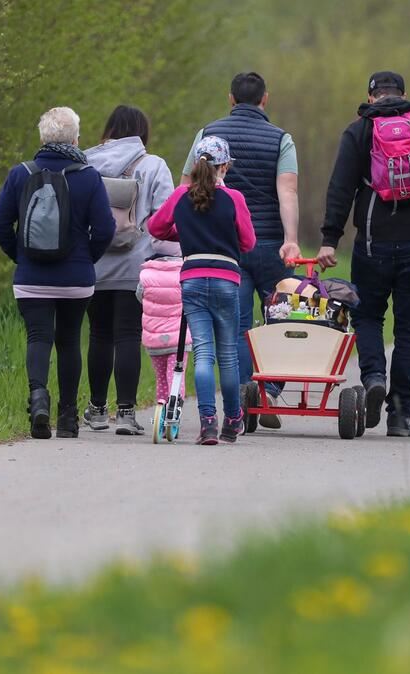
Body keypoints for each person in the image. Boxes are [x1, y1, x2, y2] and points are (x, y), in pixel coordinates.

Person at [318, 71, 410, 437]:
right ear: (404, 94)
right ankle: (399, 415)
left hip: (372, 244)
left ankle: (374, 377)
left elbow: (340, 187)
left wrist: (330, 238)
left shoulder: (359, 131)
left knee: (367, 317)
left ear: (371, 96)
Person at [181, 72, 300, 430]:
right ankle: (269, 393)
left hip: (225, 247)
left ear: (230, 99)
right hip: (271, 245)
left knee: (238, 327)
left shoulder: (207, 135)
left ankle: (246, 398)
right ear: (265, 99)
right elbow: (288, 191)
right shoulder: (281, 139)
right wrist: (291, 239)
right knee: (280, 321)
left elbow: (186, 186)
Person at [0, 107, 115, 439]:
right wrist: (86, 258)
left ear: (43, 138)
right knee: (69, 340)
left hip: (31, 279)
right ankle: (68, 418)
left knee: (38, 337)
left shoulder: (20, 174)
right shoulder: (89, 177)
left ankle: (38, 401)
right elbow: (105, 229)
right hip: (76, 280)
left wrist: (19, 255)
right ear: (75, 140)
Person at [148, 136, 256, 445]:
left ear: (196, 164)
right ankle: (232, 420)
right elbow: (248, 242)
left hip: (193, 278)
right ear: (225, 166)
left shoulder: (181, 196)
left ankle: (208, 424)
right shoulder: (234, 198)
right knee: (228, 355)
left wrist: (182, 231)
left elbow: (156, 227)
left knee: (204, 354)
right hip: (226, 279)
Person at [82, 105, 175, 435]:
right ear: (141, 132)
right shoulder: (154, 165)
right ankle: (125, 413)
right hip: (137, 265)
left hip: (94, 264)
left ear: (108, 129)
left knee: (99, 334)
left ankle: (96, 410)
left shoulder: (86, 164)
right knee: (128, 335)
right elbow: (165, 219)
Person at [138, 237, 189, 406]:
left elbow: (139, 296)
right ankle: (175, 406)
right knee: (176, 375)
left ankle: (161, 404)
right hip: (179, 338)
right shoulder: (184, 272)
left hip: (154, 338)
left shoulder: (146, 274)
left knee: (160, 377)